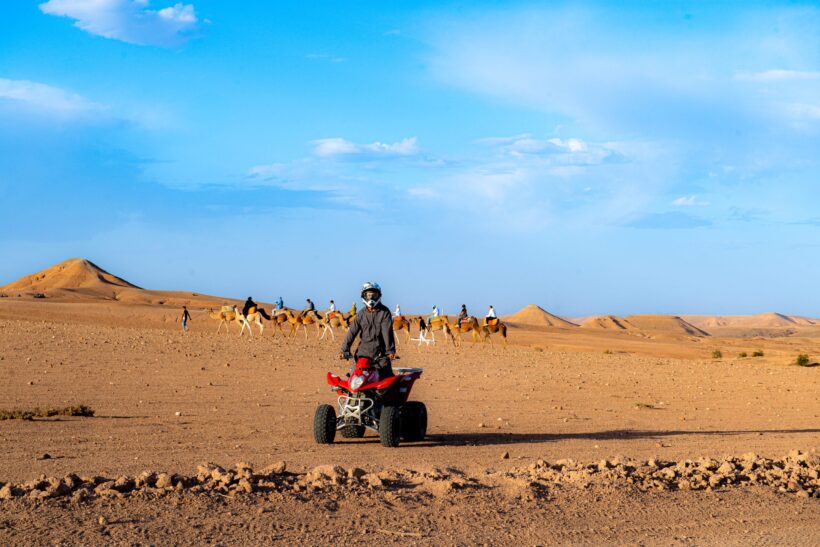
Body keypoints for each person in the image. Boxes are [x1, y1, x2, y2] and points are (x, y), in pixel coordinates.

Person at [340, 282, 396, 378]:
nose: (371, 298)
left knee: (388, 383)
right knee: (353, 380)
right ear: (364, 296)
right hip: (362, 354)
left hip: (380, 356)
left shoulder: (385, 313)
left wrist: (390, 351)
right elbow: (352, 332)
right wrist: (344, 350)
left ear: (379, 295)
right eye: (369, 295)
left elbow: (387, 333)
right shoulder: (361, 314)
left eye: (374, 295)